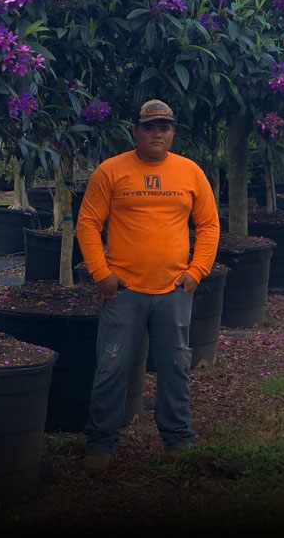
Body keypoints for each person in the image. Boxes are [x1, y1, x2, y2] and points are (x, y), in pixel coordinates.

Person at [76, 98, 220, 471]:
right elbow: (88, 223)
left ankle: (177, 440)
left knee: (175, 365)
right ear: (135, 132)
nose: (158, 133)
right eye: (150, 127)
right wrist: (101, 273)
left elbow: (208, 225)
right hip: (122, 290)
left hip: (174, 290)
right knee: (112, 366)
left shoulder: (190, 173)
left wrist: (197, 271)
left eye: (165, 127)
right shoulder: (111, 171)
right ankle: (101, 444)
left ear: (172, 133)